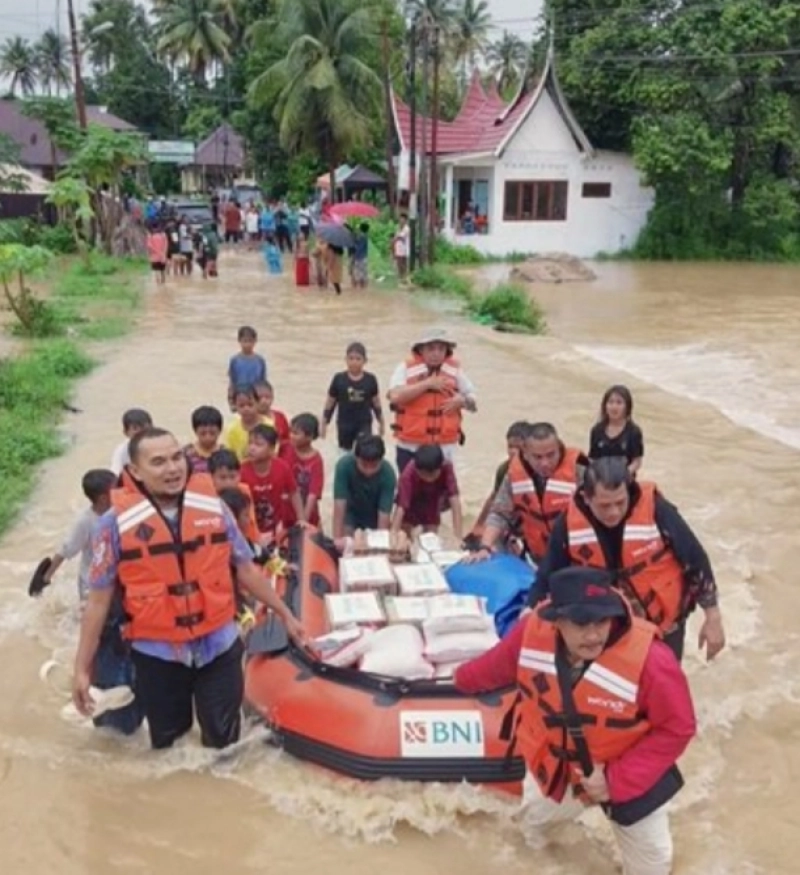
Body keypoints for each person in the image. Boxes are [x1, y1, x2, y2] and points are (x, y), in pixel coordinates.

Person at [72, 428, 306, 750]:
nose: (172, 468)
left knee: (225, 743)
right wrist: (82, 669)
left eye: (176, 457)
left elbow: (246, 569)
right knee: (170, 746)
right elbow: (98, 603)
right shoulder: (112, 525)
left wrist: (285, 613)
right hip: (158, 655)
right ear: (134, 471)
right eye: (158, 462)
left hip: (219, 645)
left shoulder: (215, 508)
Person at [454, 567, 696, 875]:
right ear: (558, 621)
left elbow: (679, 727)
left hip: (631, 776)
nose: (594, 634)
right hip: (562, 770)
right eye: (581, 623)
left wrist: (614, 779)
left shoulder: (652, 660)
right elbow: (492, 668)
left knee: (653, 868)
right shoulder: (532, 631)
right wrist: (452, 680)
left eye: (601, 621)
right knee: (531, 829)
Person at [532, 456, 726, 662]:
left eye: (620, 502)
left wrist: (713, 617)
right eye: (604, 506)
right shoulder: (568, 524)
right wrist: (529, 615)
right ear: (587, 498)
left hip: (664, 626)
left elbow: (694, 558)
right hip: (602, 630)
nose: (614, 512)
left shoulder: (657, 509)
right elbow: (548, 575)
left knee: (663, 683)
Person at [41, 469, 144, 735]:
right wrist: (46, 577)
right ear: (102, 498)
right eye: (116, 491)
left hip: (125, 599)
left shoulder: (128, 517)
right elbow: (65, 551)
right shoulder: (88, 522)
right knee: (100, 641)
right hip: (95, 593)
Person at [469, 422, 586, 565]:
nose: (545, 463)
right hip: (537, 557)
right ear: (525, 454)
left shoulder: (581, 472)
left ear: (559, 449)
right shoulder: (514, 474)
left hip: (575, 560)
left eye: (551, 455)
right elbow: (500, 514)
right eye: (537, 457)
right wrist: (485, 547)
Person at [387, 328, 477, 473]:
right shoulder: (404, 368)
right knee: (409, 491)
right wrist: (426, 384)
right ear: (420, 350)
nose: (436, 353)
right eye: (431, 348)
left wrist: (462, 401)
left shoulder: (455, 371)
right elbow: (394, 396)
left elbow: (473, 402)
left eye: (441, 349)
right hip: (411, 445)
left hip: (445, 446)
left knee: (444, 493)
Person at [239, 424, 304, 538]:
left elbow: (294, 493)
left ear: (271, 449)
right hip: (250, 529)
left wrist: (301, 519)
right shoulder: (241, 470)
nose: (252, 448)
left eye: (258, 444)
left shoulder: (282, 467)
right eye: (250, 443)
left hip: (277, 528)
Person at [469, 420, 530, 539]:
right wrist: (479, 525)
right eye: (510, 446)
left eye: (518, 447)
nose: (513, 451)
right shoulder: (504, 469)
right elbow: (494, 498)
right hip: (511, 518)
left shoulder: (539, 469)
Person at [321, 342, 384, 452]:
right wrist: (324, 422)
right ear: (345, 359)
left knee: (364, 450)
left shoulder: (370, 379)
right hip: (344, 424)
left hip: (364, 423)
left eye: (358, 359)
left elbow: (376, 403)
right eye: (351, 358)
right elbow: (330, 402)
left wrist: (381, 422)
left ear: (365, 361)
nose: (354, 362)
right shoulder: (339, 379)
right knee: (344, 452)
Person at [391, 444, 463, 540]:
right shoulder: (407, 475)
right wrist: (393, 535)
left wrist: (458, 537)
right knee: (405, 535)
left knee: (431, 537)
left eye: (432, 475)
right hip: (411, 501)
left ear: (440, 467)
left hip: (432, 501)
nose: (428, 479)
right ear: (417, 469)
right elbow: (401, 508)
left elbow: (455, 502)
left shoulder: (447, 467)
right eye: (424, 475)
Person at [332, 434, 396, 538]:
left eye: (374, 466)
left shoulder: (388, 474)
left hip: (374, 515)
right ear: (356, 458)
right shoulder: (344, 466)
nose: (368, 471)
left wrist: (380, 541)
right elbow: (339, 505)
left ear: (381, 460)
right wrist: (337, 540)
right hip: (351, 513)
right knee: (347, 541)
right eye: (364, 465)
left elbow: (384, 514)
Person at [208, 449, 261, 546]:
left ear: (239, 475)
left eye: (232, 477)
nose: (228, 483)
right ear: (211, 477)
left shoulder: (245, 491)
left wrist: (257, 545)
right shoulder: (209, 498)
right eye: (222, 478)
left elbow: (251, 522)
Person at [590, 385, 644, 477]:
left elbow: (637, 462)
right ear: (605, 406)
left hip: (625, 481)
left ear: (627, 407)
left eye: (619, 403)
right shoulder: (597, 430)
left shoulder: (634, 432)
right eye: (610, 402)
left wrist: (623, 475)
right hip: (601, 479)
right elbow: (593, 459)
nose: (614, 407)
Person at [280, 413, 324, 527]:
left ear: (310, 436)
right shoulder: (284, 448)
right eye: (291, 432)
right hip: (285, 510)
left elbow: (313, 493)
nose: (291, 436)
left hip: (307, 511)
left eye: (296, 433)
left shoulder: (316, 461)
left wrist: (304, 519)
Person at [227, 326, 268, 411]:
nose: (247, 345)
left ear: (255, 341)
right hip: (239, 396)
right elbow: (232, 381)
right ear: (239, 341)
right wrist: (231, 400)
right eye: (245, 341)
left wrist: (263, 399)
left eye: (250, 341)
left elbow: (263, 382)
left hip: (255, 396)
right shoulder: (235, 360)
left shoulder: (260, 361)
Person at [223, 385, 266, 461]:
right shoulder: (231, 430)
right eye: (241, 406)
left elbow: (273, 451)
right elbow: (229, 456)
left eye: (250, 404)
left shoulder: (268, 425)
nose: (246, 409)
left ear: (258, 403)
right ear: (235, 406)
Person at [110, 408, 153, 476]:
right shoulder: (121, 451)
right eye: (135, 429)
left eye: (145, 428)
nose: (140, 432)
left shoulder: (162, 444)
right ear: (126, 432)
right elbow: (116, 473)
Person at [184, 405, 224, 474]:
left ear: (219, 430)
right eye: (203, 432)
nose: (208, 436)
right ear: (195, 430)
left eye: (211, 432)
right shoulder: (186, 454)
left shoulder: (225, 453)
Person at [253, 380, 290, 445]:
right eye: (259, 397)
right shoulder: (249, 418)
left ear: (272, 397)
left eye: (267, 397)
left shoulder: (280, 416)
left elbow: (288, 440)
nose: (263, 401)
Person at [393, 214, 410, 283]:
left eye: (402, 219)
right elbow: (396, 237)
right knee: (398, 263)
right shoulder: (398, 227)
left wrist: (396, 238)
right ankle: (400, 277)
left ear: (405, 220)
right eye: (400, 219)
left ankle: (404, 277)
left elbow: (400, 237)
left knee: (403, 264)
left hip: (404, 249)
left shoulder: (407, 228)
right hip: (398, 248)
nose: (401, 220)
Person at [351, 223, 369, 288]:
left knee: (358, 272)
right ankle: (363, 287)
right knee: (363, 273)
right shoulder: (365, 236)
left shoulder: (361, 236)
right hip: (363, 257)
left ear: (361, 229)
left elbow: (358, 247)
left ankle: (360, 286)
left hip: (359, 257)